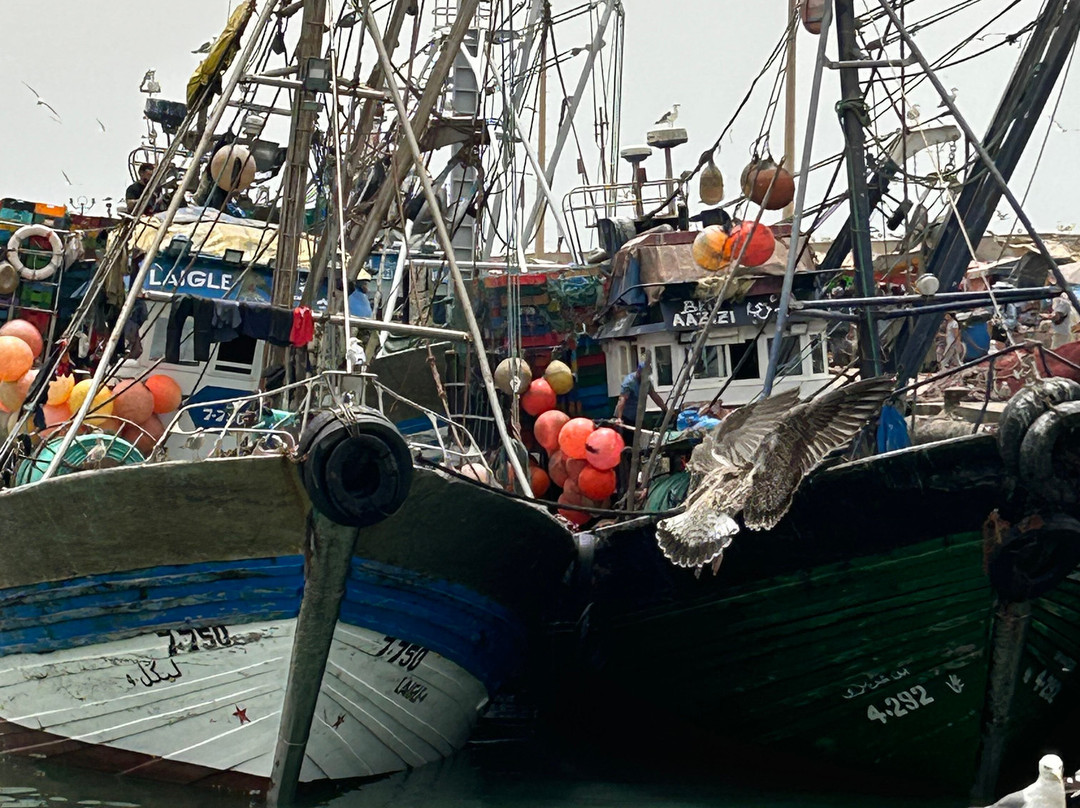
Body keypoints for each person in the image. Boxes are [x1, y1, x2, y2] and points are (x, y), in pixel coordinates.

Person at [614, 361, 667, 426]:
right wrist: (619, 418)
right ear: (639, 372)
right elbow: (622, 400)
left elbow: (654, 396)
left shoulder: (646, 382)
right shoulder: (629, 382)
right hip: (625, 416)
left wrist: (664, 408)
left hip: (638, 416)